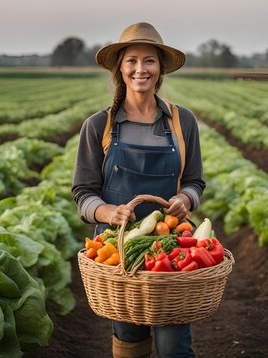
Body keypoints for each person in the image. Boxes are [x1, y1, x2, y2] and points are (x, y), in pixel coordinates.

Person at [72, 22, 205, 358]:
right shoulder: (97, 125)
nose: (140, 69)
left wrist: (185, 198)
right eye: (132, 60)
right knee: (129, 341)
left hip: (172, 248)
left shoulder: (182, 121)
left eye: (149, 61)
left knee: (174, 344)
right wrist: (108, 212)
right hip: (118, 251)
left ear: (160, 70)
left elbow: (195, 181)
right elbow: (83, 193)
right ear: (121, 68)